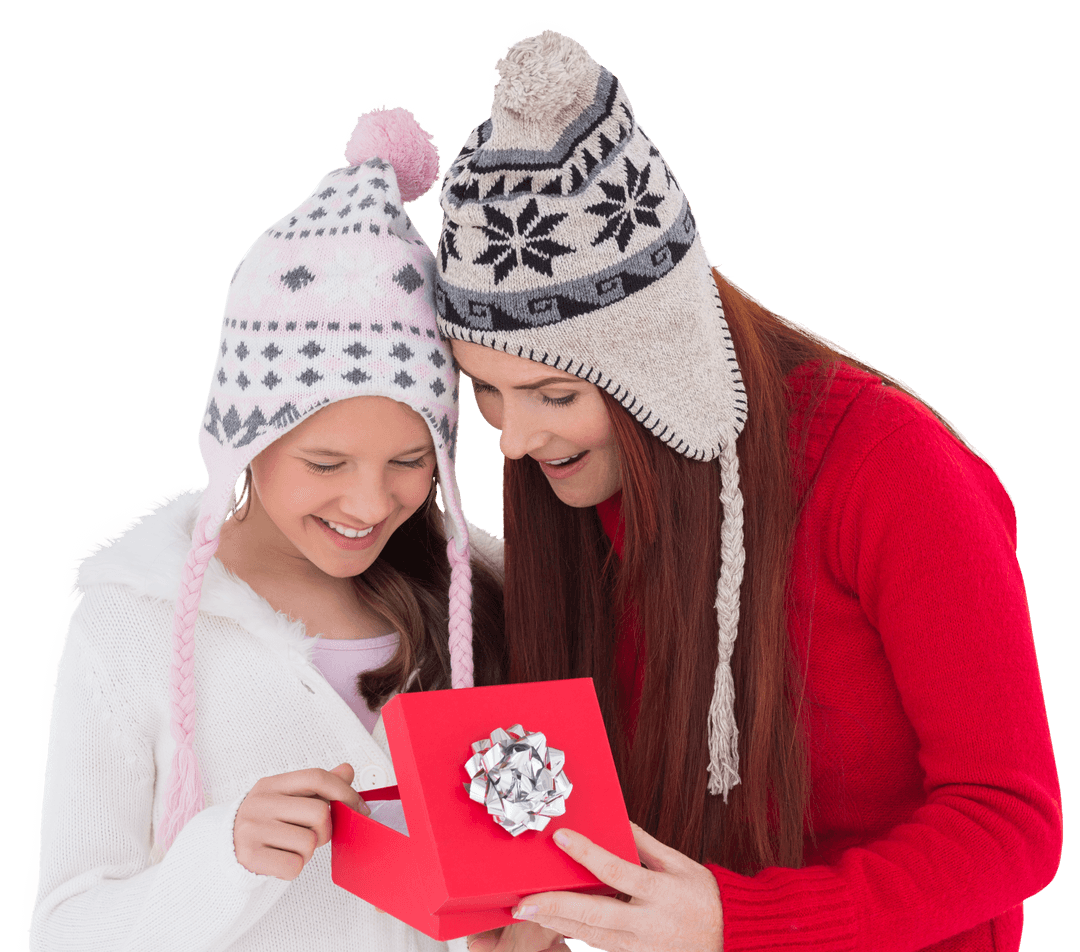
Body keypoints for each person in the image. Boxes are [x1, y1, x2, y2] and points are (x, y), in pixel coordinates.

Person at [437, 28, 1063, 952]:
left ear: (659, 365)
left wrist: (743, 924)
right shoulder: (576, 491)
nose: (517, 440)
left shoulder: (891, 470)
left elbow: (1011, 823)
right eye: (485, 391)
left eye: (554, 393)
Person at [21, 103, 511, 952]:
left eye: (410, 462)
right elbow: (60, 932)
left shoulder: (487, 596)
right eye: (326, 464)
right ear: (243, 442)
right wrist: (226, 855)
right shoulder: (125, 621)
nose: (369, 505)